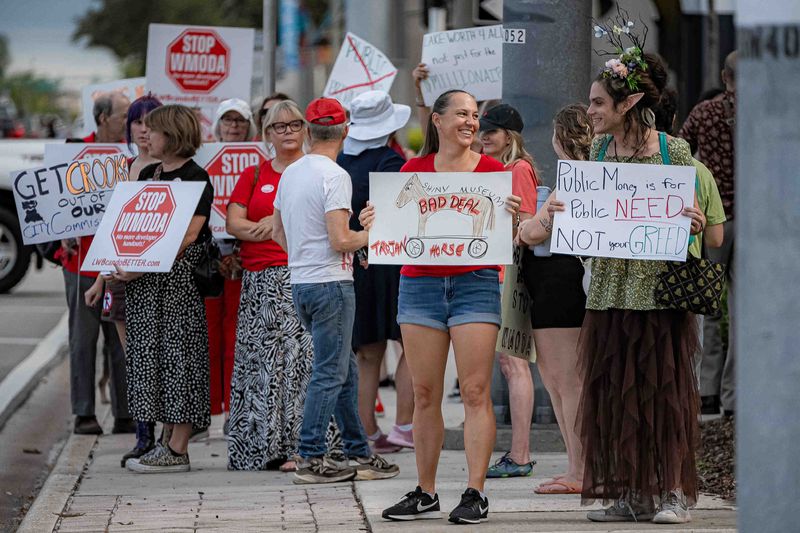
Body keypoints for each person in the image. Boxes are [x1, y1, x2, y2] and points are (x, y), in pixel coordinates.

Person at [372, 89, 521, 524]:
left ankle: (475, 492)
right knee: (424, 393)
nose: (471, 122)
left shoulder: (494, 172)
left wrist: (515, 217)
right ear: (436, 121)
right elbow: (390, 222)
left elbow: (518, 231)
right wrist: (371, 221)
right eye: (461, 114)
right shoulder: (412, 170)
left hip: (475, 282)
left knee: (475, 390)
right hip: (419, 285)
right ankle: (426, 491)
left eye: (475, 115)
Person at [573, 48, 707, 523]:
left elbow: (695, 218)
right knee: (614, 391)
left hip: (658, 292)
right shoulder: (598, 151)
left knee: (664, 391)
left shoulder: (674, 151)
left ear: (626, 104)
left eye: (597, 103)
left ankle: (672, 491)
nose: (589, 112)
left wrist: (693, 220)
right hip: (611, 289)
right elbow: (588, 214)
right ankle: (632, 492)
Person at [272, 97, 400, 485]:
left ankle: (359, 452)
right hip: (331, 283)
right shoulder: (335, 175)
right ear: (346, 131)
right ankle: (310, 456)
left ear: (308, 132)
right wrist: (370, 234)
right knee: (330, 373)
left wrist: (309, 254)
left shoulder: (291, 173)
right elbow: (341, 238)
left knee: (343, 370)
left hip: (303, 283)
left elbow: (278, 233)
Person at [226, 100, 340, 471]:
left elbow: (320, 225)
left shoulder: (316, 170)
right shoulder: (253, 174)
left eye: (294, 124)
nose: (288, 131)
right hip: (259, 281)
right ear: (267, 134)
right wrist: (268, 229)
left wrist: (267, 229)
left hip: (300, 275)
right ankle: (258, 448)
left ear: (307, 129)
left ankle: (302, 446)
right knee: (259, 364)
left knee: (302, 363)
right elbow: (233, 223)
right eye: (279, 126)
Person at [120, 105, 214, 473]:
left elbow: (188, 236)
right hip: (145, 284)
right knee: (153, 361)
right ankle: (165, 439)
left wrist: (139, 263)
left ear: (173, 135)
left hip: (175, 285)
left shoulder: (196, 177)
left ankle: (178, 448)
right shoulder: (146, 173)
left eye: (154, 130)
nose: (146, 134)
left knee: (180, 360)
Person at [515, 104, 594, 494]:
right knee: (563, 381)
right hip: (568, 286)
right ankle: (577, 466)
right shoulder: (602, 176)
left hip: (558, 287)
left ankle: (579, 470)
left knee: (566, 383)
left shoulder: (573, 182)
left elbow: (533, 233)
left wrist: (524, 224)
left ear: (559, 138)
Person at [84, 95, 163, 463]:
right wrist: (100, 280)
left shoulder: (171, 170)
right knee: (133, 358)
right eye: (137, 122)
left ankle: (166, 436)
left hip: (158, 280)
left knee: (159, 356)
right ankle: (143, 435)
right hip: (119, 278)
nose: (144, 129)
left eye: (151, 121)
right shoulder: (123, 169)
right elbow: (111, 232)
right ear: (129, 128)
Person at [336, 90, 415, 454]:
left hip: (357, 260)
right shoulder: (390, 160)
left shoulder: (338, 160)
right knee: (412, 346)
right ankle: (405, 426)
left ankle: (367, 430)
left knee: (367, 352)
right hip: (393, 260)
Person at [59, 91, 132, 435]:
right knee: (83, 339)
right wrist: (61, 231)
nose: (128, 124)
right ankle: (84, 413)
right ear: (103, 118)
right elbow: (55, 206)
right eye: (123, 116)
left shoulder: (132, 154)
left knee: (119, 340)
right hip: (81, 264)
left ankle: (125, 413)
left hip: (117, 262)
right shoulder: (74, 151)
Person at [477, 104, 539, 479]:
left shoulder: (517, 170)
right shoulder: (501, 169)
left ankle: (520, 453)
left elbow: (527, 224)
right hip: (497, 273)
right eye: (483, 130)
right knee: (508, 364)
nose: (485, 136)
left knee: (514, 364)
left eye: (493, 131)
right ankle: (517, 452)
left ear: (510, 136)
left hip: (509, 275)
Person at [679, 51, 737, 417]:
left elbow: (678, 151)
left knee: (708, 306)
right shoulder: (766, 111)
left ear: (724, 76)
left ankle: (707, 391)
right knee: (743, 312)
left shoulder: (704, 113)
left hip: (714, 218)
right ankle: (734, 397)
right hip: (752, 222)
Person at [205, 98, 256, 434]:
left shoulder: (259, 162)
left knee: (237, 340)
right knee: (209, 338)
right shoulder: (204, 161)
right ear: (218, 125)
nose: (234, 126)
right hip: (209, 260)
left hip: (245, 256)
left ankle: (233, 412)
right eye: (228, 120)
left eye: (240, 121)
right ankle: (209, 411)